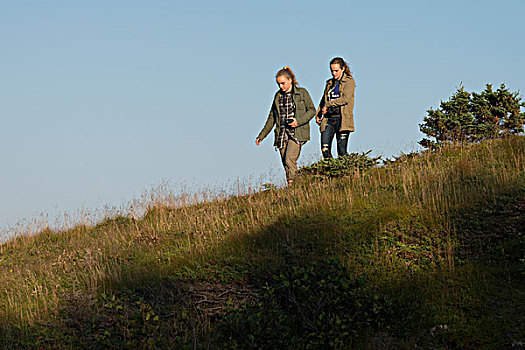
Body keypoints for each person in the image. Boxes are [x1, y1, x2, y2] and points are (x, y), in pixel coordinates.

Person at [256, 66, 316, 186]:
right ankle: (297, 183)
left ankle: (294, 186)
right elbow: (272, 118)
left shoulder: (302, 93)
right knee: (285, 161)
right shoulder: (278, 96)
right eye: (278, 84)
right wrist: (261, 136)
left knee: (290, 158)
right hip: (282, 134)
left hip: (297, 133)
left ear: (290, 80)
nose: (281, 87)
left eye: (283, 83)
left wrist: (298, 121)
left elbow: (312, 111)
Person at [316, 57, 356, 158]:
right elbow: (323, 99)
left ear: (342, 69)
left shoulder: (349, 81)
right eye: (332, 71)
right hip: (328, 119)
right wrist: (318, 114)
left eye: (336, 71)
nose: (334, 73)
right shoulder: (329, 83)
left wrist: (329, 104)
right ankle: (330, 171)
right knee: (325, 149)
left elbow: (345, 99)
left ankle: (345, 172)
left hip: (342, 119)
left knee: (341, 150)